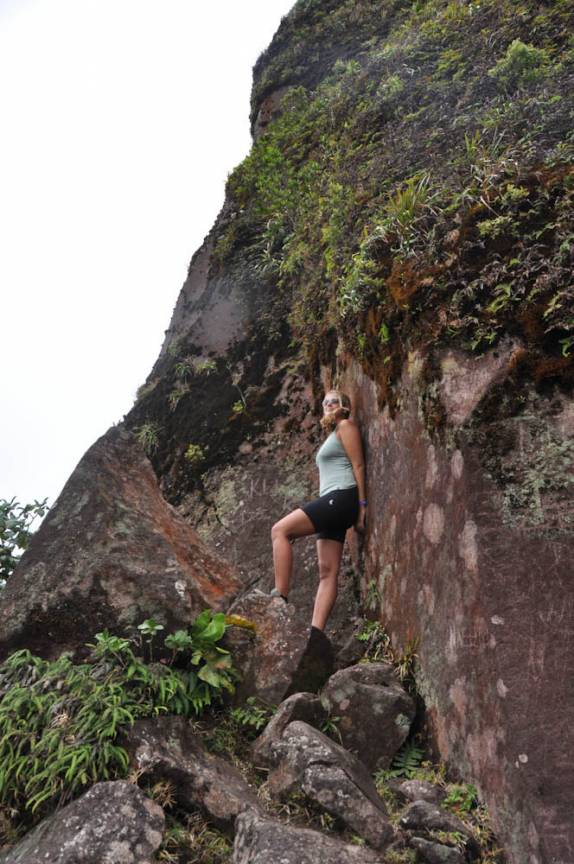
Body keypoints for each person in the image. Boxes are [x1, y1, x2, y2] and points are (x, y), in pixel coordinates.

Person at [270, 389, 367, 631]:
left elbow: (358, 464)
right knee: (327, 571)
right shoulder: (334, 433)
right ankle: (316, 633)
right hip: (335, 501)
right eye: (325, 401)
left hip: (342, 496)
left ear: (344, 405)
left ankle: (279, 596)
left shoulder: (346, 426)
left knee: (280, 530)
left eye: (334, 400)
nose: (328, 404)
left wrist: (362, 506)